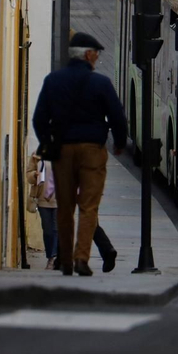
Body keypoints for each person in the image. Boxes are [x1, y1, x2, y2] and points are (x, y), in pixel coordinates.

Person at [31, 31, 128, 275]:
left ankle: (64, 260)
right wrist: (118, 142)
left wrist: (47, 142)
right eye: (95, 54)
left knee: (64, 206)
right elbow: (117, 116)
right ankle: (81, 258)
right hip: (92, 151)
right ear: (87, 55)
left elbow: (39, 118)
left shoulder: (53, 81)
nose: (96, 59)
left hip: (62, 150)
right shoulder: (101, 83)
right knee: (88, 206)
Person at [27, 153, 59, 269]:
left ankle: (53, 258)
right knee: (48, 231)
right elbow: (29, 176)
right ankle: (51, 255)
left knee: (57, 229)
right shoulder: (37, 154)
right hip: (42, 199)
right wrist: (34, 175)